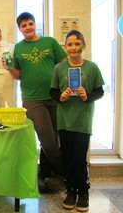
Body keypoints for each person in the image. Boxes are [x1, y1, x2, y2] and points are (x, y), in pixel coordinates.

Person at [2, 12, 68, 192]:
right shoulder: (18, 48)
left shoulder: (50, 42)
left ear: (34, 24)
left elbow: (63, 63)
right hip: (32, 99)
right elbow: (18, 75)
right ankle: (66, 176)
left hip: (55, 96)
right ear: (19, 29)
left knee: (55, 137)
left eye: (30, 23)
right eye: (24, 26)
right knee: (47, 138)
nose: (28, 28)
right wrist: (9, 69)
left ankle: (47, 174)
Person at [50, 30, 105, 212]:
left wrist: (87, 96)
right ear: (65, 47)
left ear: (84, 46)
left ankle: (83, 192)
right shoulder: (59, 68)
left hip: (83, 121)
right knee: (67, 158)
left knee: (79, 159)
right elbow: (53, 92)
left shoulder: (92, 67)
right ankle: (71, 191)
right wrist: (62, 97)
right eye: (69, 44)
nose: (73, 47)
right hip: (64, 121)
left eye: (77, 44)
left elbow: (100, 91)